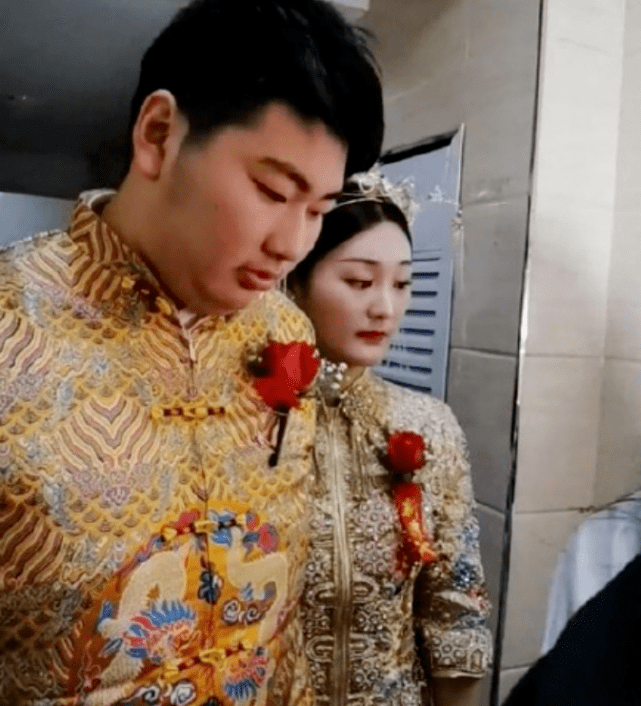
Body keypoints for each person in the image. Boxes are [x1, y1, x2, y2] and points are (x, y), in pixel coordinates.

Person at [0, 2, 383, 704]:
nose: (292, 245)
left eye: (318, 209)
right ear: (158, 135)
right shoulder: (9, 324)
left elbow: (281, 627)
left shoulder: (286, 332)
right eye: (272, 191)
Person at [287, 171, 493, 706]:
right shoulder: (247, 422)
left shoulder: (430, 425)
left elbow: (455, 613)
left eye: (401, 284)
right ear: (295, 280)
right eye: (359, 282)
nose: (386, 307)